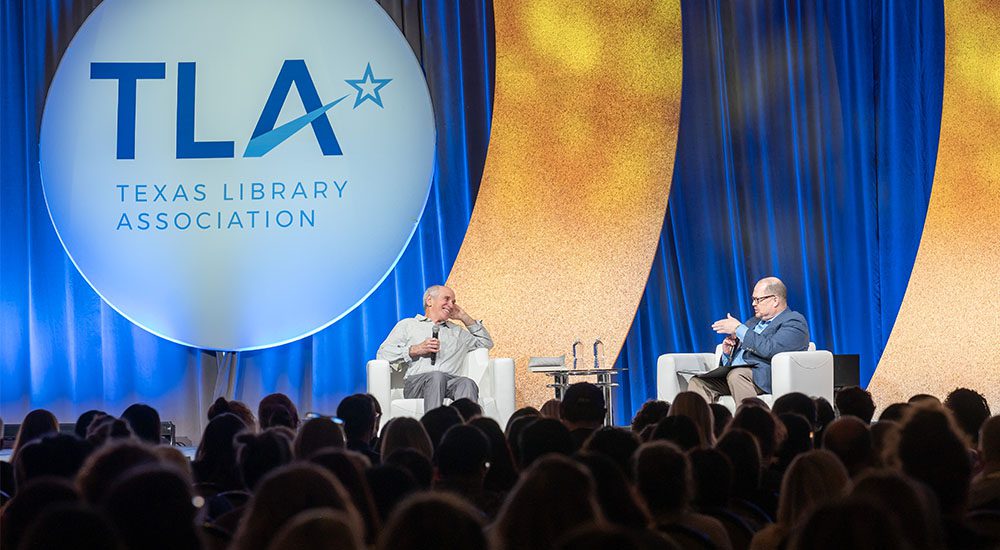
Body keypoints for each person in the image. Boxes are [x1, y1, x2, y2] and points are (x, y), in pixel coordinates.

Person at [690, 277, 809, 404]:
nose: (753, 304)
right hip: (737, 374)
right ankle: (703, 423)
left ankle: (750, 422)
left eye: (758, 299)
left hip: (765, 376)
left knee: (737, 375)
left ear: (775, 300)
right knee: (698, 382)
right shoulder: (753, 322)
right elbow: (742, 354)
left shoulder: (794, 321)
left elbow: (770, 349)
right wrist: (727, 353)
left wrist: (738, 328)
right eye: (753, 299)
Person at [377, 285, 493, 411]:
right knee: (437, 377)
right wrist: (415, 349)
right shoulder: (409, 325)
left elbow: (486, 342)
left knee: (467, 383)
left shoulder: (457, 332)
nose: (451, 305)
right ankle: (434, 428)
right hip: (417, 383)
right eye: (446, 299)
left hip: (450, 382)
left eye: (453, 302)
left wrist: (464, 317)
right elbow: (383, 353)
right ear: (429, 301)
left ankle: (466, 429)